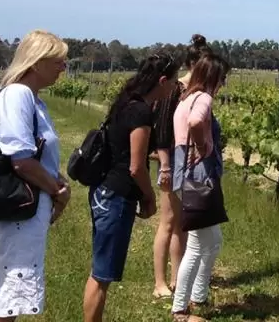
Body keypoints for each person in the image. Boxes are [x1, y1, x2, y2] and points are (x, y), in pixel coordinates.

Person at [0, 30, 71, 321]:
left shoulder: (31, 98)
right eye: (58, 61)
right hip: (17, 214)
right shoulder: (18, 95)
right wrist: (57, 191)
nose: (63, 68)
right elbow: (22, 161)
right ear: (36, 62)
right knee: (6, 305)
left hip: (18, 212)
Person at [83, 53, 181, 322]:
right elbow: (135, 167)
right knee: (101, 275)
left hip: (104, 191)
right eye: (173, 83)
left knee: (100, 271)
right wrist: (149, 196)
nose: (174, 89)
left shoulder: (126, 102)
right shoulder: (141, 112)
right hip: (116, 195)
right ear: (162, 81)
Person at [170, 51, 231, 322]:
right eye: (223, 78)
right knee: (197, 244)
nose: (224, 84)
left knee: (212, 240)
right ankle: (180, 308)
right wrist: (204, 145)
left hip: (184, 175)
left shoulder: (186, 98)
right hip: (198, 177)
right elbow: (196, 123)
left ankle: (199, 295)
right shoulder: (203, 98)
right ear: (213, 77)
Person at [151, 34, 211, 299]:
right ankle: (159, 282)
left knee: (182, 224)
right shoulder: (175, 90)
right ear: (193, 65)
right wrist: (165, 166)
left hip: (185, 163)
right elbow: (162, 132)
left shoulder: (196, 93)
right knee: (168, 222)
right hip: (171, 162)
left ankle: (177, 278)